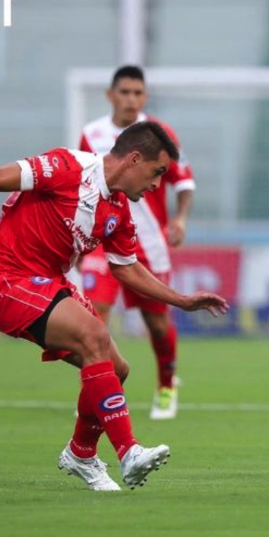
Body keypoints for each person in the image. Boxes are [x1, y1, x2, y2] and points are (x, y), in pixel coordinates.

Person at [0, 122, 228, 492]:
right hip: (5, 280)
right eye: (157, 173)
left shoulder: (118, 210)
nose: (158, 186)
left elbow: (126, 269)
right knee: (94, 335)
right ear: (135, 159)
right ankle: (128, 452)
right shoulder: (67, 167)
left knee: (117, 367)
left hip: (48, 284)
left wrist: (182, 300)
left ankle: (81, 453)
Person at [79, 65, 195, 420]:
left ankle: (166, 384)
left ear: (144, 97)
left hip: (147, 242)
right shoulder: (92, 133)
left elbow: (184, 182)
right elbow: (84, 182)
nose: (131, 99)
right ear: (111, 95)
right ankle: (100, 392)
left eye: (137, 93)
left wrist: (179, 219)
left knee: (156, 323)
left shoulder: (160, 134)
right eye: (125, 92)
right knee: (93, 319)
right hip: (101, 236)